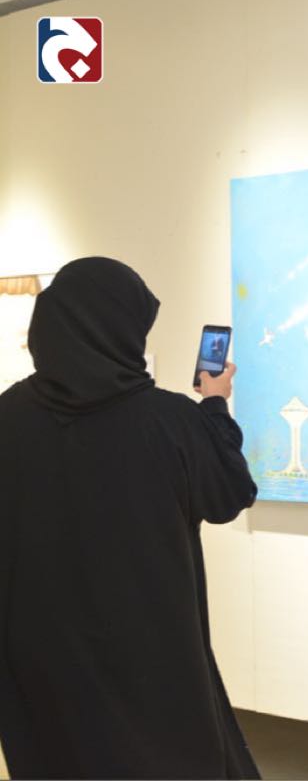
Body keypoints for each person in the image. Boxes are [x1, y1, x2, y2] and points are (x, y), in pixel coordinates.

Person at [0, 257, 259, 779]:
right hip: (152, 653)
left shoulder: (7, 416)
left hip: (40, 654)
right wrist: (214, 406)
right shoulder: (169, 419)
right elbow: (229, 495)